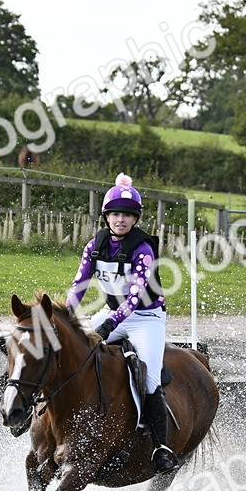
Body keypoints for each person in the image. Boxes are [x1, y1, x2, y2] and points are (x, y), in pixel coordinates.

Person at [65, 173, 179, 473]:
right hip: (112, 312)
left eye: (127, 215)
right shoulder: (95, 245)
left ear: (135, 219)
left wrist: (109, 325)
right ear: (106, 216)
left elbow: (135, 296)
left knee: (151, 380)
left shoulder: (143, 249)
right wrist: (66, 315)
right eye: (115, 214)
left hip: (146, 319)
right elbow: (79, 285)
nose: (120, 220)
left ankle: (161, 448)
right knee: (70, 350)